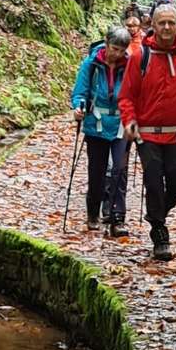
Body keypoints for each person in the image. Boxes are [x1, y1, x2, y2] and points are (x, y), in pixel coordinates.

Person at [121, 0, 176, 260]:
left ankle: (155, 214)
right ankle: (159, 232)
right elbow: (127, 95)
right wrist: (129, 120)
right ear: (154, 26)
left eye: (171, 23)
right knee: (154, 182)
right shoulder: (140, 56)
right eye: (162, 23)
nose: (167, 27)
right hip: (147, 134)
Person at [70, 26, 132, 234]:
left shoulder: (129, 65)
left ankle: (116, 217)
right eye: (114, 48)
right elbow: (80, 92)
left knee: (119, 169)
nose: (117, 54)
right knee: (97, 171)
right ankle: (93, 212)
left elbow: (136, 92)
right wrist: (79, 107)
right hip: (95, 124)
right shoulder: (91, 64)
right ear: (106, 43)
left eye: (121, 50)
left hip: (121, 123)